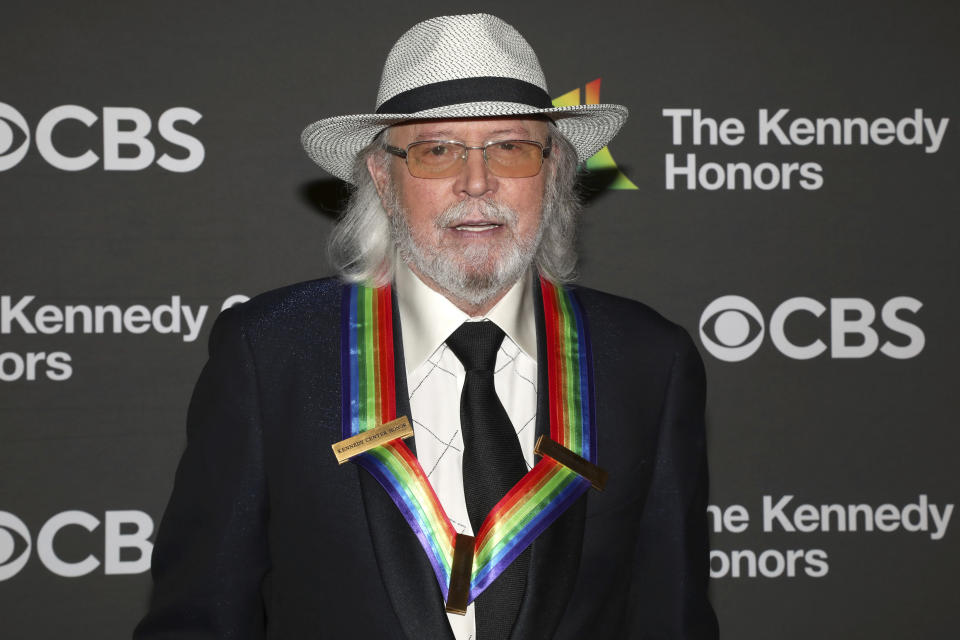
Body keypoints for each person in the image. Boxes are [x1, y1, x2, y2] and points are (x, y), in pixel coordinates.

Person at [134, 13, 719, 640]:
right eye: (436, 150)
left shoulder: (647, 360)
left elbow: (672, 614)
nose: (476, 182)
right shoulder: (270, 351)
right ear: (384, 179)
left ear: (553, 175)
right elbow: (201, 618)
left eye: (511, 148)